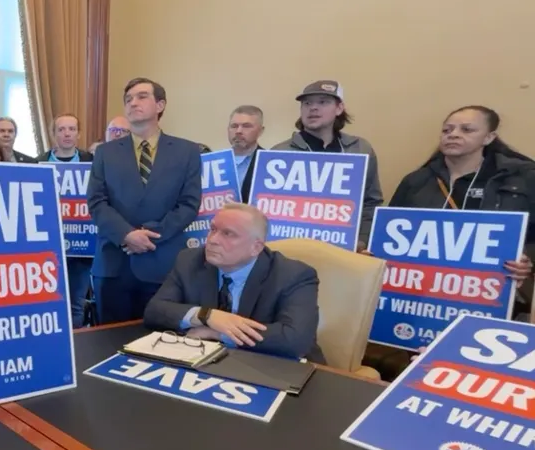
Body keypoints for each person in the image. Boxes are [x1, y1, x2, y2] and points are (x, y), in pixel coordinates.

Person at [367, 105, 535, 379]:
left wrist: (528, 258)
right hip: (420, 299)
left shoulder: (523, 178)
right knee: (418, 370)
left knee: (475, 372)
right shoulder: (417, 181)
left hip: (491, 297)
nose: (453, 135)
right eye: (447, 130)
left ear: (489, 137)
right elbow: (386, 233)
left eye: (467, 130)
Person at [145, 203, 324, 362]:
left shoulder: (294, 275)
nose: (212, 240)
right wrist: (206, 316)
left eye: (228, 234)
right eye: (213, 229)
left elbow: (295, 340)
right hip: (213, 364)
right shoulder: (190, 260)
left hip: (279, 369)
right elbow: (155, 311)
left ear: (256, 247)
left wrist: (218, 333)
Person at [87, 77, 201, 323]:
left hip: (163, 263)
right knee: (108, 345)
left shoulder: (188, 152)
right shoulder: (105, 153)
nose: (132, 103)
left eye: (141, 97)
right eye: (128, 99)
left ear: (160, 105)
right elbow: (97, 202)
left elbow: (189, 204)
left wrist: (148, 235)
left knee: (162, 344)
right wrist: (127, 235)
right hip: (114, 264)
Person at [272, 80, 382, 249]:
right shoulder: (279, 154)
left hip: (344, 251)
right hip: (292, 252)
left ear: (339, 108)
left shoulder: (360, 149)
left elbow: (371, 203)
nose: (313, 108)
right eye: (307, 103)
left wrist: (362, 240)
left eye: (323, 102)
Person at [38, 114, 94, 329]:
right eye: (61, 129)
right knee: (48, 303)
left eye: (71, 129)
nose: (67, 133)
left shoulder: (93, 162)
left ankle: (78, 352)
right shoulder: (38, 162)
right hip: (48, 248)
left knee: (76, 305)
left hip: (83, 250)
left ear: (78, 134)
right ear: (53, 134)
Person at [228, 105, 266, 202]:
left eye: (246, 126)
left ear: (261, 131)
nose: (238, 131)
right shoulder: (214, 162)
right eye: (234, 126)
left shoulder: (269, 163)